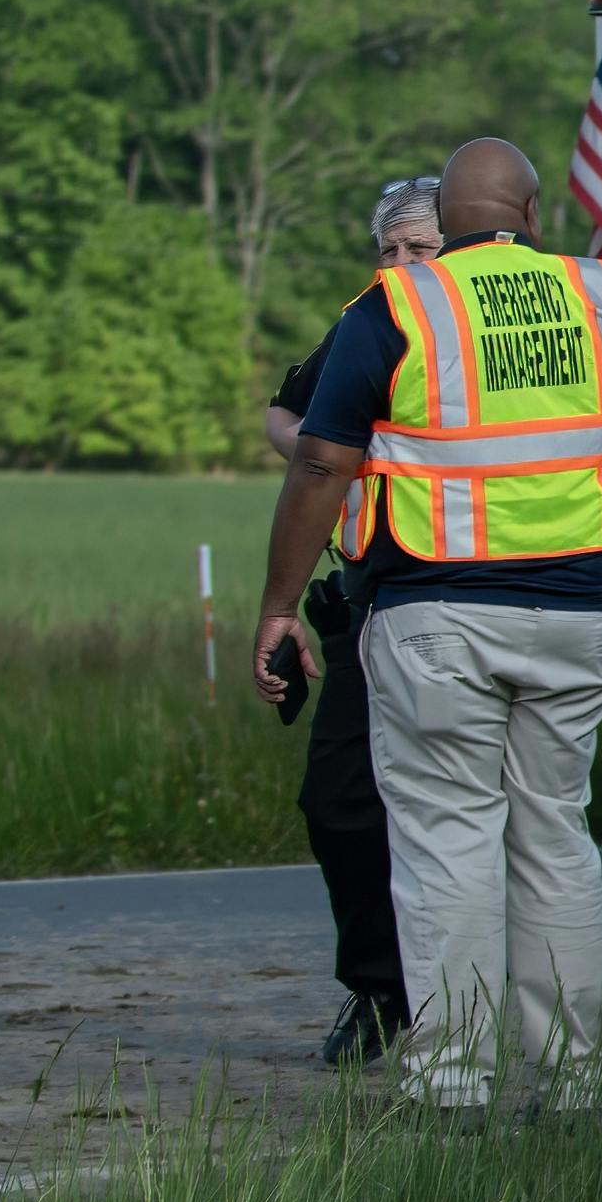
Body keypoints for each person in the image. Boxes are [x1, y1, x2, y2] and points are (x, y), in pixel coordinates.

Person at [250, 138, 602, 1100]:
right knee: (554, 839)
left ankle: (451, 1078)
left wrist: (280, 605)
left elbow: (321, 462)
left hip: (435, 613)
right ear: (533, 214)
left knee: (446, 841)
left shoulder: (400, 306)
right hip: (576, 614)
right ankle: (572, 1078)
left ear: (443, 225)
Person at [259, 176, 443, 1060]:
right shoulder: (367, 317)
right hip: (364, 599)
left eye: (423, 249)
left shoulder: (481, 325)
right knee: (337, 803)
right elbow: (284, 411)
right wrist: (332, 454)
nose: (403, 266)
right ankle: (378, 990)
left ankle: (481, 1010)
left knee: (467, 812)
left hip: (467, 594)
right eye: (392, 250)